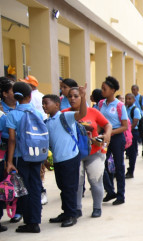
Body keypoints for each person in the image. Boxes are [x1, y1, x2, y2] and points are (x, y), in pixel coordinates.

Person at [3, 81, 46, 232]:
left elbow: (12, 140)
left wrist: (9, 162)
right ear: (29, 96)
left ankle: (30, 223)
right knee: (35, 187)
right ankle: (35, 220)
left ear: (15, 97)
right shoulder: (37, 113)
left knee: (24, 189)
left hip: (20, 157)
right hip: (36, 155)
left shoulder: (12, 115)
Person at [42, 89, 88, 227]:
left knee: (69, 187)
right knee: (62, 187)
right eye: (42, 104)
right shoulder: (47, 122)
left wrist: (84, 97)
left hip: (70, 157)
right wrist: (45, 159)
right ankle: (66, 212)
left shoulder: (65, 116)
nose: (44, 106)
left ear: (57, 104)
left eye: (46, 103)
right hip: (58, 159)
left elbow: (82, 113)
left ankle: (72, 214)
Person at [63, 86, 110, 218]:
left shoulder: (93, 112)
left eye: (76, 96)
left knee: (95, 181)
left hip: (94, 152)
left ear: (82, 97)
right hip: (73, 155)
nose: (72, 99)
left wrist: (107, 135)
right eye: (70, 96)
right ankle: (77, 209)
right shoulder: (64, 113)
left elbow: (107, 125)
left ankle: (97, 207)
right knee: (77, 183)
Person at [98, 76, 129, 206]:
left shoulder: (119, 106)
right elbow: (99, 121)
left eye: (104, 89)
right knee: (101, 164)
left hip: (116, 138)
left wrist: (109, 133)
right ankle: (110, 191)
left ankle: (121, 195)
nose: (102, 91)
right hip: (104, 138)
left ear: (112, 90)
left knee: (119, 166)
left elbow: (125, 126)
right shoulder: (100, 104)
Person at [124, 93, 142, 179]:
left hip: (132, 132)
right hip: (125, 132)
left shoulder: (135, 110)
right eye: (126, 99)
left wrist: (128, 131)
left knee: (132, 153)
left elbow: (135, 122)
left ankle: (131, 171)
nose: (127, 100)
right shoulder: (125, 108)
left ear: (134, 100)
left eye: (129, 99)